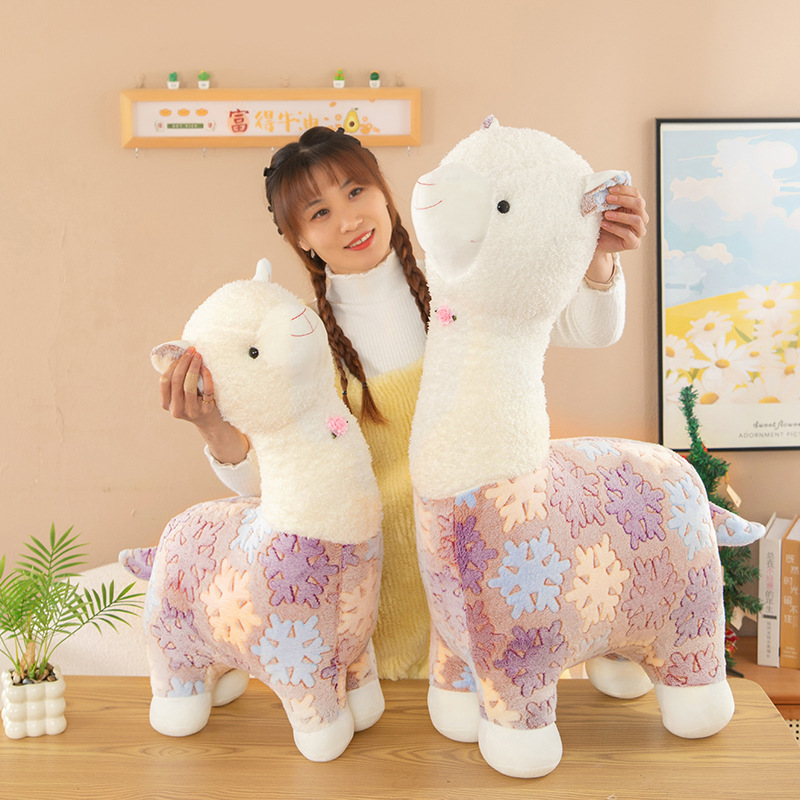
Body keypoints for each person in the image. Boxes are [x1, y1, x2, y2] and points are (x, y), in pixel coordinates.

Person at [160, 126, 649, 680]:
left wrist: (596, 254)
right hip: (384, 605)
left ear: (384, 192)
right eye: (319, 213)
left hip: (494, 577)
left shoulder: (462, 283)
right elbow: (275, 486)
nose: (349, 220)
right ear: (300, 239)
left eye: (355, 191)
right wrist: (211, 427)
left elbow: (593, 330)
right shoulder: (297, 342)